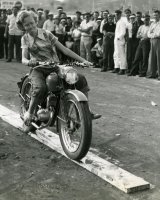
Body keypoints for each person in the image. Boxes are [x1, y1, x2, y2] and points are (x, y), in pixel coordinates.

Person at [16, 10, 101, 131]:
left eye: (32, 23)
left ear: (35, 21)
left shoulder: (46, 34)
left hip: (55, 66)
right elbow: (23, 58)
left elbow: (65, 50)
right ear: (22, 26)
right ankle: (29, 113)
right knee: (40, 88)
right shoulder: (25, 39)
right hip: (38, 69)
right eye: (27, 25)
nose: (30, 26)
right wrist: (29, 61)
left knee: (79, 78)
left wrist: (83, 60)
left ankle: (86, 112)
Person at [112, 10, 127, 75]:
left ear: (120, 15)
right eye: (115, 15)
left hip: (120, 40)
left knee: (121, 55)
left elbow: (123, 32)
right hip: (116, 40)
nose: (116, 16)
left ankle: (122, 68)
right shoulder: (118, 22)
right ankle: (117, 67)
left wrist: (119, 38)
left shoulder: (122, 22)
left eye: (118, 14)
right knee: (116, 54)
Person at [146, 10, 160, 80]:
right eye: (154, 15)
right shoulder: (152, 23)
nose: (155, 16)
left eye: (156, 15)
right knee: (152, 58)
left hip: (158, 41)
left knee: (159, 58)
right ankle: (152, 73)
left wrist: (152, 34)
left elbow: (158, 34)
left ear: (159, 15)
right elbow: (148, 34)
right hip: (152, 41)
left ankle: (159, 75)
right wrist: (152, 34)